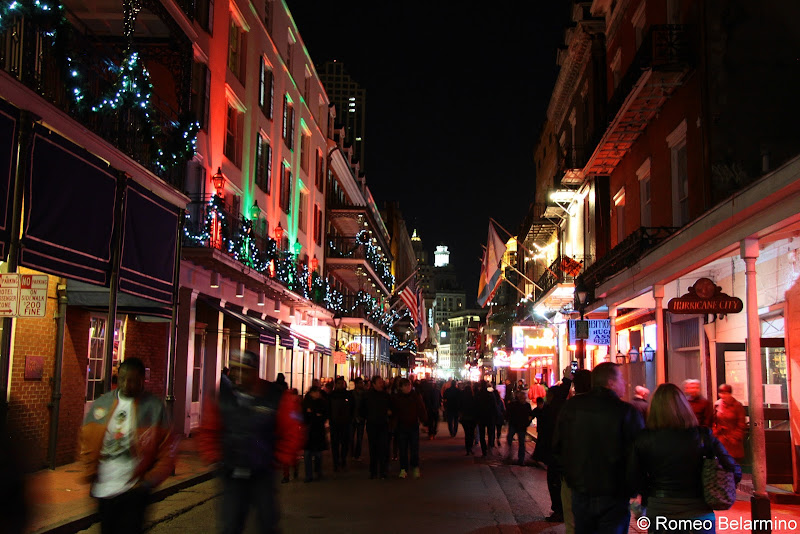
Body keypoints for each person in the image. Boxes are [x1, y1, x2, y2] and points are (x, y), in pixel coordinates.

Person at [198, 351, 304, 533]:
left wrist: (281, 457)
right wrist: (214, 457)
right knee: (230, 524)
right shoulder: (222, 397)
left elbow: (292, 428)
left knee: (267, 522)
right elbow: (209, 428)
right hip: (231, 471)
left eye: (244, 370)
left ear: (254, 372)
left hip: (262, 472)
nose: (238, 375)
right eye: (234, 370)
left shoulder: (274, 396)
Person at [80, 357, 176, 534]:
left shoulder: (153, 408)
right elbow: (86, 439)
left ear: (142, 380)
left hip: (134, 490)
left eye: (131, 380)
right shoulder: (102, 404)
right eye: (122, 379)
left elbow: (167, 449)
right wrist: (89, 471)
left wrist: (149, 480)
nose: (126, 384)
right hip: (104, 489)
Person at [629, 383, 742, 533]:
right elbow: (734, 469)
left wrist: (646, 494)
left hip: (660, 510)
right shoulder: (703, 436)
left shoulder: (643, 439)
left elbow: (632, 478)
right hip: (699, 512)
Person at [554, 362, 644, 532]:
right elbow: (638, 453)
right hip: (614, 493)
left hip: (581, 490)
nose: (624, 383)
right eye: (621, 379)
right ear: (610, 382)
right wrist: (633, 488)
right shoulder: (626, 412)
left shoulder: (572, 408)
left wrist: (571, 477)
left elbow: (558, 447)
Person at [391, 378, 428, 478]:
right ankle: (403, 469)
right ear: (401, 387)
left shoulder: (415, 396)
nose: (408, 387)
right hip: (401, 426)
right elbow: (394, 412)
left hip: (413, 426)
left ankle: (415, 467)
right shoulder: (397, 398)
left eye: (409, 385)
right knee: (403, 449)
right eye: (406, 385)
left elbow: (421, 409)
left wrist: (424, 422)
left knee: (414, 449)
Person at [363, 375, 391, 479]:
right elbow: (363, 409)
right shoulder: (368, 395)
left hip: (383, 424)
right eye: (379, 382)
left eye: (382, 382)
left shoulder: (385, 395)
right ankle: (373, 470)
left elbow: (391, 407)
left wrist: (389, 413)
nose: (381, 384)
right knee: (373, 448)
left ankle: (383, 470)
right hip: (372, 424)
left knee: (383, 448)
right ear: (373, 384)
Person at [713, 384, 747, 462]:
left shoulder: (737, 405)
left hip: (733, 440)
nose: (723, 396)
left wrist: (735, 437)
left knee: (733, 463)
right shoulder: (717, 404)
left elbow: (741, 424)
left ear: (730, 394)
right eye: (721, 393)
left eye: (725, 393)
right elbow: (714, 420)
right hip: (721, 437)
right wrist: (715, 431)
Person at [302, 386, 328, 482]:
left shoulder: (322, 402)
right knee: (308, 454)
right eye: (316, 392)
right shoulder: (306, 402)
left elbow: (324, 415)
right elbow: (305, 416)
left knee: (318, 454)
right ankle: (309, 475)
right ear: (312, 393)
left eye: (318, 392)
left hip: (318, 430)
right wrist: (315, 415)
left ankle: (318, 471)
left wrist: (313, 414)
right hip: (309, 431)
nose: (318, 394)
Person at [328, 377, 354, 472]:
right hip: (335, 423)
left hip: (345, 423)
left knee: (344, 443)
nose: (340, 385)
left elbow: (352, 407)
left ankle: (342, 459)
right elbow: (328, 408)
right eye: (338, 383)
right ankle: (336, 462)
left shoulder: (348, 395)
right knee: (335, 444)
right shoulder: (332, 395)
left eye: (341, 383)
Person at [505, 390, 533, 465]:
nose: (523, 400)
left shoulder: (527, 405)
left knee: (521, 443)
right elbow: (509, 413)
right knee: (510, 438)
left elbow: (530, 415)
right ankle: (511, 452)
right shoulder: (514, 405)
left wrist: (527, 423)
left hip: (521, 426)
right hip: (514, 425)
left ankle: (521, 459)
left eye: (524, 398)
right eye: (522, 398)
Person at [475, 380, 497, 457]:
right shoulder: (490, 394)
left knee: (482, 434)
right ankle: (490, 446)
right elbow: (494, 406)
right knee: (490, 432)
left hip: (481, 417)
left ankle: (484, 450)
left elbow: (476, 406)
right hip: (490, 416)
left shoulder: (478, 394)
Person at [350, 377, 367, 461]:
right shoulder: (351, 394)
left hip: (361, 418)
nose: (361, 384)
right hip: (353, 418)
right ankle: (352, 453)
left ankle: (357, 454)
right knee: (351, 437)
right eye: (360, 383)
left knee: (359, 438)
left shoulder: (364, 394)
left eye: (362, 383)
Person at [459, 382, 478, 455]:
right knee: (471, 433)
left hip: (465, 418)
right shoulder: (473, 398)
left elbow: (460, 407)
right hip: (472, 418)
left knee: (467, 434)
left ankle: (468, 448)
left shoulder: (463, 399)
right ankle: (470, 447)